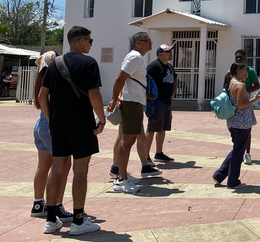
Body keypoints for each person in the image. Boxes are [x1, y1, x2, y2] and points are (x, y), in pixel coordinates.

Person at [38, 26, 105, 236]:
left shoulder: (55, 64)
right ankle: (78, 221)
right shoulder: (89, 63)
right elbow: (94, 93)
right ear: (81, 41)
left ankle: (50, 220)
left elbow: (42, 97)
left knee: (56, 168)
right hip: (82, 124)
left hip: (58, 125)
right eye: (90, 41)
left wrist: (51, 121)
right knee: (80, 170)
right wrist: (101, 119)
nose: (92, 44)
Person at [108, 32, 161, 194]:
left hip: (134, 102)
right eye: (148, 41)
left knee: (127, 139)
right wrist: (114, 98)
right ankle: (121, 179)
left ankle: (122, 176)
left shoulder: (136, 57)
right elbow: (120, 79)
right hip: (131, 103)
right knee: (128, 141)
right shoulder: (135, 57)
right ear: (138, 43)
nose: (151, 43)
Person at [30, 51, 73, 223]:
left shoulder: (40, 82)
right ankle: (57, 206)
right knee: (62, 166)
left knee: (43, 166)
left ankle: (38, 204)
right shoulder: (55, 82)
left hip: (40, 126)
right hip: (51, 127)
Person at [212, 62, 260, 188]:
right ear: (237, 71)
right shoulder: (240, 85)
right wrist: (254, 99)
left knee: (237, 149)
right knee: (238, 153)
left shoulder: (231, 83)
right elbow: (241, 105)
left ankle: (219, 175)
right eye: (244, 70)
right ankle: (233, 181)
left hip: (233, 121)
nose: (247, 72)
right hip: (241, 123)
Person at [145, 44, 176, 163]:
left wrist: (173, 93)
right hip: (155, 103)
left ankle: (159, 153)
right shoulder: (153, 66)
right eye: (167, 52)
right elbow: (146, 81)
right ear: (160, 54)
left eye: (170, 52)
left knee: (163, 129)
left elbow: (175, 79)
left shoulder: (169, 67)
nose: (170, 54)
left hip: (167, 102)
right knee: (152, 129)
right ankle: (145, 156)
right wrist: (149, 98)